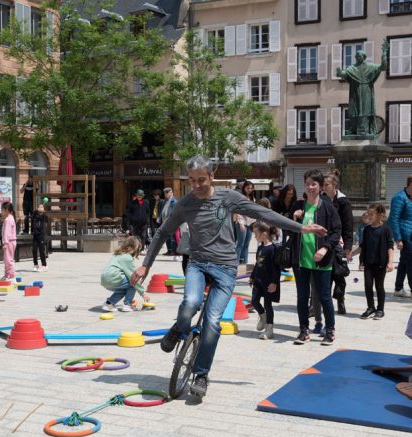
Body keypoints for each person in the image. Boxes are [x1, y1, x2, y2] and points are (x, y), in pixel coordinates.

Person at [131, 155, 326, 398]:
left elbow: (263, 214)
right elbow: (162, 232)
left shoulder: (228, 197)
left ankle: (201, 374)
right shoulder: (186, 204)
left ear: (212, 176)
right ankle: (179, 328)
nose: (197, 185)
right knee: (190, 303)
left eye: (201, 179)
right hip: (198, 264)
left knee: (212, 322)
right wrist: (145, 265)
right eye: (192, 180)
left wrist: (302, 228)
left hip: (225, 268)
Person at [288, 170, 341, 346]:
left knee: (324, 296)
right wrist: (294, 219)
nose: (310, 187)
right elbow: (288, 230)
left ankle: (330, 330)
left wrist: (325, 249)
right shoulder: (299, 206)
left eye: (314, 184)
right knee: (302, 297)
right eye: (308, 183)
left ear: (320, 187)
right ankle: (304, 330)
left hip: (322, 261)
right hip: (301, 260)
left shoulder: (327, 207)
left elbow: (336, 232)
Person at [336, 41, 388, 137]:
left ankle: (365, 129)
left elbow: (383, 67)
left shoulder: (370, 67)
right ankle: (354, 129)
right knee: (353, 111)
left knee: (366, 111)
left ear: (364, 57)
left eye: (360, 56)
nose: (358, 57)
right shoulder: (352, 68)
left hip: (366, 92)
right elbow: (345, 74)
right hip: (355, 93)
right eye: (357, 56)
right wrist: (340, 72)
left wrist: (384, 53)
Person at [351, 203, 394, 320]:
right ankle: (370, 307)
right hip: (368, 263)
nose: (369, 216)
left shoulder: (385, 230)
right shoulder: (367, 230)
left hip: (381, 263)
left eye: (372, 214)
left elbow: (390, 247)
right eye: (368, 213)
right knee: (368, 285)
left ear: (380, 215)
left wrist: (390, 262)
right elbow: (362, 246)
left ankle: (380, 309)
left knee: (379, 286)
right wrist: (351, 254)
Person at [323, 171, 354, 315]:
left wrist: (348, 248)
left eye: (326, 184)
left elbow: (348, 226)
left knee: (339, 274)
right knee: (323, 274)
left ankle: (340, 300)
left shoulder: (343, 201)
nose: (324, 187)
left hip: (339, 243)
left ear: (334, 185)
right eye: (323, 184)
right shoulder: (321, 199)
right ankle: (318, 303)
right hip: (323, 242)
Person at [101, 236, 150, 312]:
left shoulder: (117, 254)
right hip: (113, 278)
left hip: (105, 280)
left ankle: (108, 304)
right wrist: (142, 293)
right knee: (133, 282)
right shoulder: (127, 258)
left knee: (123, 290)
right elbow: (133, 277)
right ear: (134, 248)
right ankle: (127, 305)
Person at [250, 221, 281, 340]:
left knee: (268, 305)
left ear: (264, 234)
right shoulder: (260, 248)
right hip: (258, 280)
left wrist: (274, 282)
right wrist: (252, 277)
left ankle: (269, 329)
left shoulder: (272, 249)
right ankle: (262, 316)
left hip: (268, 282)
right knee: (254, 301)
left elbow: (276, 268)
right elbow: (257, 264)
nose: (254, 236)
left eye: (256, 234)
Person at [389, 175, 412, 298]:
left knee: (404, 262)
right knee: (410, 262)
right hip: (405, 235)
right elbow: (394, 219)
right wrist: (398, 239)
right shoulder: (399, 197)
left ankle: (398, 288)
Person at [235, 180, 256, 265]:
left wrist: (254, 223)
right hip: (242, 223)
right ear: (244, 188)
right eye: (248, 188)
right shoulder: (240, 197)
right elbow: (238, 212)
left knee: (247, 245)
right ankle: (235, 264)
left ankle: (245, 263)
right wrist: (241, 223)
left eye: (251, 188)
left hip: (250, 224)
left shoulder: (253, 199)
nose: (250, 190)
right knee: (240, 244)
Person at [158, 187, 177, 255]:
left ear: (171, 193)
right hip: (165, 221)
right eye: (165, 193)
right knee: (166, 237)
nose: (166, 194)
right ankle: (169, 250)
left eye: (167, 192)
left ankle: (172, 250)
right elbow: (162, 211)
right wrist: (159, 218)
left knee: (171, 237)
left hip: (171, 222)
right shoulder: (165, 201)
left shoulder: (174, 201)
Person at [1, 201, 17, 280]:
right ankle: (7, 274)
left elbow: (7, 233)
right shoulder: (10, 218)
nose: (1, 211)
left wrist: (6, 243)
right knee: (6, 259)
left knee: (8, 259)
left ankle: (11, 275)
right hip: (10, 242)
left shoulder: (8, 219)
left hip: (9, 242)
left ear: (6, 210)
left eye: (2, 210)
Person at [31, 203, 48, 272]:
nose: (40, 208)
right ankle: (35, 264)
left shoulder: (44, 215)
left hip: (41, 235)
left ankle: (44, 265)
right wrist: (36, 211)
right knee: (34, 250)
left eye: (41, 207)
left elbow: (45, 219)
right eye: (39, 207)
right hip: (35, 235)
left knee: (41, 251)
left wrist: (43, 212)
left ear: (44, 209)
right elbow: (33, 217)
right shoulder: (35, 215)